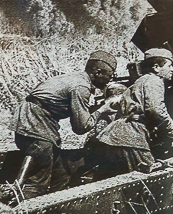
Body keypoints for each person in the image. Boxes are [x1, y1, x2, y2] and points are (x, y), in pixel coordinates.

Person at [9, 50, 118, 198]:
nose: (109, 81)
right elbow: (81, 127)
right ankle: (22, 208)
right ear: (98, 72)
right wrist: (102, 110)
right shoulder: (81, 87)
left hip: (31, 121)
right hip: (37, 125)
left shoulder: (75, 78)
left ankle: (56, 207)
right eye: (109, 76)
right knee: (38, 181)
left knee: (61, 174)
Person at [85, 48, 173, 180]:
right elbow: (155, 109)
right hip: (132, 136)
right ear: (156, 67)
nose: (172, 69)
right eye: (169, 66)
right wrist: (168, 124)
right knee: (151, 178)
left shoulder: (141, 81)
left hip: (116, 134)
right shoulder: (154, 80)